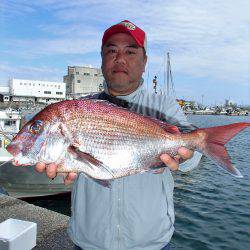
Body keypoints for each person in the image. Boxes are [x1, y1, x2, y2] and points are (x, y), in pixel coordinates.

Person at [36, 20, 201, 250]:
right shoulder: (80, 109)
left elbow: (193, 159)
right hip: (88, 243)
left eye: (130, 51)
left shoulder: (164, 105)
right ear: (102, 59)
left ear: (144, 62)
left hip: (152, 244)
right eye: (111, 50)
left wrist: (186, 154)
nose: (120, 58)